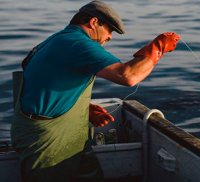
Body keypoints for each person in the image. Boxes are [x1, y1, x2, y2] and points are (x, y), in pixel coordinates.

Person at [10, 0, 180, 181]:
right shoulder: (77, 43)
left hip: (62, 132)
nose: (110, 37)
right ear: (94, 22)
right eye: (110, 30)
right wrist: (157, 47)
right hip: (48, 141)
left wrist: (84, 109)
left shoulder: (58, 39)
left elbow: (44, 83)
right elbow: (128, 76)